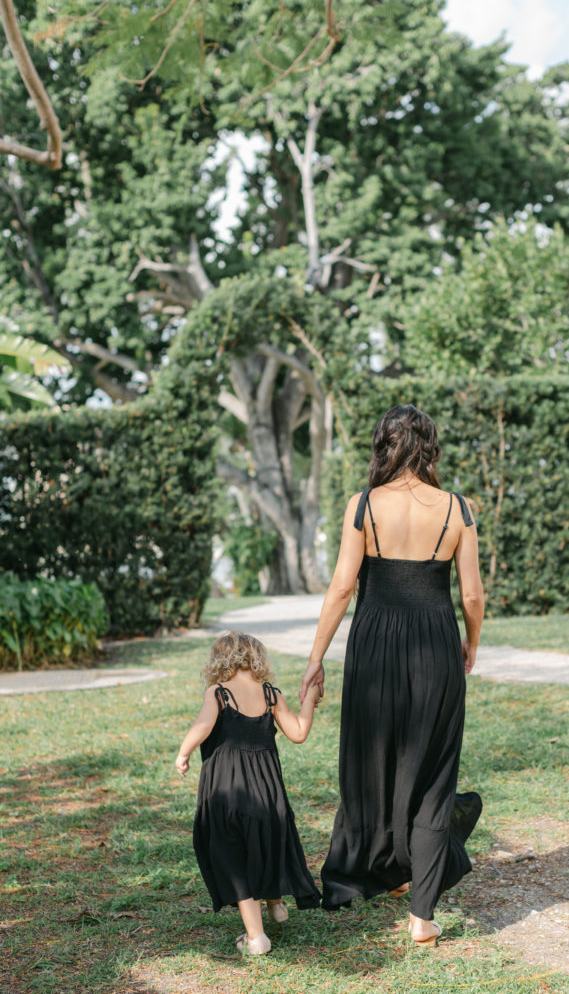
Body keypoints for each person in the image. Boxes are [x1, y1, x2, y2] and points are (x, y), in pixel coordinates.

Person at [299, 404, 484, 947]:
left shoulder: (363, 506)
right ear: (430, 446)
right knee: (432, 774)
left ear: (383, 445)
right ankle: (422, 917)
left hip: (374, 643)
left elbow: (340, 587)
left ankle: (356, 875)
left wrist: (316, 657)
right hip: (435, 644)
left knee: (370, 759)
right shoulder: (459, 510)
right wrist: (472, 641)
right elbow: (471, 594)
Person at [176, 630, 321, 956]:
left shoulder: (218, 693)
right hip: (267, 791)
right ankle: (275, 902)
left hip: (228, 790)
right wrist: (309, 699)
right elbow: (298, 732)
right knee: (265, 841)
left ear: (219, 660)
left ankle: (257, 937)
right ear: (257, 659)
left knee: (234, 855)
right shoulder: (270, 694)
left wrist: (184, 751)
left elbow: (202, 726)